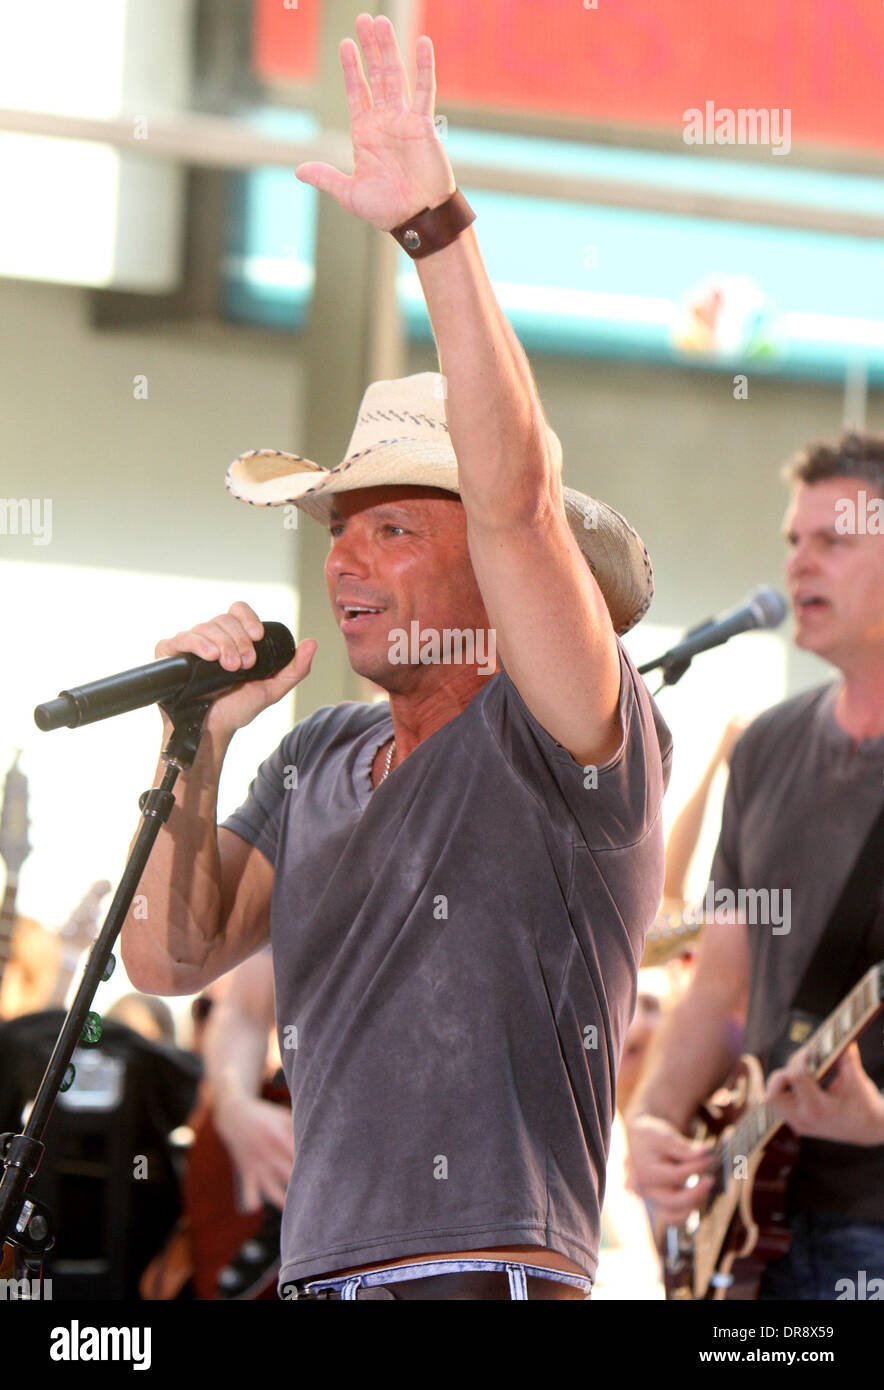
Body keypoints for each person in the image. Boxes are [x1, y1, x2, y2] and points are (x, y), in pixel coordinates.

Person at [121, 13, 671, 1301]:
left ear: (486, 557)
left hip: (486, 1271)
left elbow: (520, 499)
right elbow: (166, 959)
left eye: (391, 527)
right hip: (317, 1277)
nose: (343, 562)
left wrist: (435, 231)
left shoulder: (564, 727)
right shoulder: (318, 751)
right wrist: (194, 746)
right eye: (336, 532)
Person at [626, 430, 884, 1300]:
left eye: (834, 541)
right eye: (793, 540)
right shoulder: (769, 749)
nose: (798, 563)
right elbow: (720, 990)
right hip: (751, 1231)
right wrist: (655, 1117)